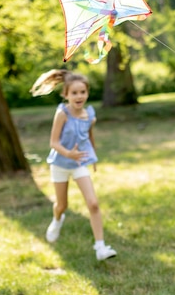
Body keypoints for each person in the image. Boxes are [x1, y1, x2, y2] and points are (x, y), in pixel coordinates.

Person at [30, 69, 116, 261]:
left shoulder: (90, 114)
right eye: (74, 93)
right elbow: (53, 142)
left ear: (87, 93)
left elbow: (88, 136)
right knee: (62, 205)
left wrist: (92, 158)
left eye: (83, 92)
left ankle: (100, 247)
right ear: (66, 94)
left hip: (79, 163)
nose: (79, 96)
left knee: (93, 203)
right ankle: (57, 219)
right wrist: (69, 153)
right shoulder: (62, 113)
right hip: (60, 163)